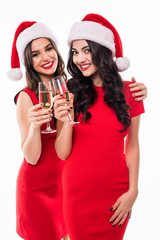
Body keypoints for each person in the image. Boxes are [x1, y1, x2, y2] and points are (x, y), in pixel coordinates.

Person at [53, 13, 145, 240]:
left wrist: (133, 191)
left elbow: (132, 145)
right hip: (77, 194)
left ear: (102, 51)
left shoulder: (131, 93)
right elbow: (62, 153)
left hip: (116, 193)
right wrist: (66, 119)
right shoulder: (68, 91)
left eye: (86, 50)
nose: (79, 58)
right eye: (75, 52)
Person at [7, 22, 69, 240]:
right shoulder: (26, 97)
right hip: (37, 188)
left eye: (48, 48)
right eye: (35, 54)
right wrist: (35, 126)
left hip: (66, 183)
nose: (45, 57)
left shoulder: (68, 88)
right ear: (28, 62)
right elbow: (31, 157)